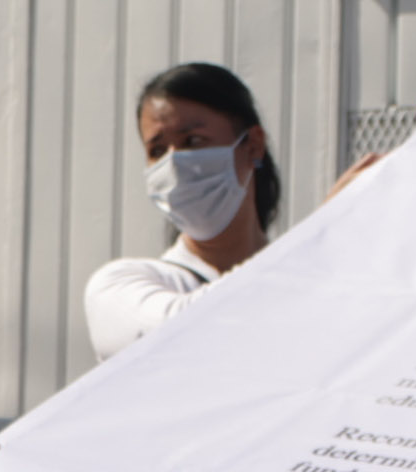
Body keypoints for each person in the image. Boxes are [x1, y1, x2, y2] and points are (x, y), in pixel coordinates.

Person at [83, 62, 285, 363]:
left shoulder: (301, 277)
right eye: (158, 151)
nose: (174, 164)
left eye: (193, 141)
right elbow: (185, 334)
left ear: (253, 145)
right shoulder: (120, 286)